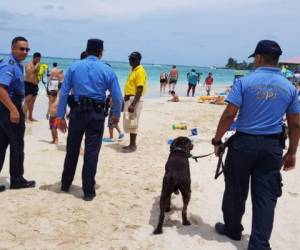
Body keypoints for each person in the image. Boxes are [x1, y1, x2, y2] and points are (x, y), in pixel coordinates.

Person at [211, 40, 300, 250]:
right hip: (272, 147)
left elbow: (230, 114)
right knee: (266, 197)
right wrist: (292, 152)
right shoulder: (289, 87)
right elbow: (295, 123)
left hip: (243, 144)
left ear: (259, 58)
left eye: (254, 59)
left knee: (235, 189)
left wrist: (217, 140)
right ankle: (259, 244)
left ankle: (233, 229)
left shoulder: (245, 82)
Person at [56, 39, 122, 201]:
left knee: (72, 149)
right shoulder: (107, 70)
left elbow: (64, 92)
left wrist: (60, 115)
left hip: (77, 112)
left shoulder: (74, 67)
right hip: (96, 115)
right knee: (91, 153)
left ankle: (65, 184)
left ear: (86, 50)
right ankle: (88, 191)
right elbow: (117, 96)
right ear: (101, 52)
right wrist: (116, 114)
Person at [0, 36, 36, 191]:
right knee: (17, 145)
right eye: (21, 48)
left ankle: (16, 178)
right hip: (8, 108)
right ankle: (16, 180)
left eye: (27, 49)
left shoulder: (17, 65)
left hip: (7, 107)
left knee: (1, 145)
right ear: (13, 48)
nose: (25, 51)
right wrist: (14, 110)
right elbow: (1, 89)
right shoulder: (10, 65)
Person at [123, 51, 147, 153]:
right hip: (130, 99)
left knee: (133, 122)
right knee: (129, 121)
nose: (130, 60)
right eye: (129, 58)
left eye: (132, 59)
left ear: (138, 60)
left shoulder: (140, 71)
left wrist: (133, 104)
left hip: (135, 99)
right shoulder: (133, 70)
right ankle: (130, 144)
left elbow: (139, 89)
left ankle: (133, 145)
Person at [23, 52, 42, 122]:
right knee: (27, 101)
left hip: (35, 85)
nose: (38, 61)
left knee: (32, 102)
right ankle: (25, 118)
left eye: (39, 59)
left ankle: (30, 117)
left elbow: (36, 74)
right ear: (34, 58)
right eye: (37, 59)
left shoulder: (38, 65)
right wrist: (36, 66)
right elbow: (28, 72)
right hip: (28, 84)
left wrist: (38, 79)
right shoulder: (29, 64)